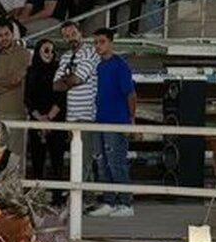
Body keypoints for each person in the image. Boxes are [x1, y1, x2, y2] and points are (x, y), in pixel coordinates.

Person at [89, 27, 136, 218]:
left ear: (110, 43)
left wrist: (131, 119)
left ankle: (125, 203)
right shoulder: (100, 67)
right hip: (100, 119)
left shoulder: (120, 65)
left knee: (116, 162)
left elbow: (130, 94)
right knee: (102, 163)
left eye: (102, 42)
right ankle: (109, 200)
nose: (98, 46)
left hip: (117, 120)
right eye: (96, 42)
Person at [55, 20, 100, 184]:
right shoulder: (66, 56)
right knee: (76, 159)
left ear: (80, 33)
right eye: (66, 36)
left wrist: (69, 79)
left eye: (73, 34)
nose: (70, 38)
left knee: (85, 159)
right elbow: (56, 86)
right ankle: (84, 199)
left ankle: (84, 199)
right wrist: (72, 80)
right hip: (71, 115)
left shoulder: (91, 53)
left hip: (87, 114)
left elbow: (76, 78)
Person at [25, 38, 67, 203]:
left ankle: (57, 196)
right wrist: (39, 119)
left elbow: (61, 98)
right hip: (37, 120)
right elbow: (28, 98)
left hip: (55, 120)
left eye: (52, 50)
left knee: (57, 159)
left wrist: (49, 118)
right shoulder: (31, 71)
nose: (49, 54)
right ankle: (37, 196)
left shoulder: (59, 71)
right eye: (46, 50)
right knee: (37, 160)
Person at [0, 19, 32, 152]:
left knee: (16, 157)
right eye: (0, 35)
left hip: (19, 113)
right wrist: (10, 82)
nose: (4, 38)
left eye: (6, 34)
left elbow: (16, 80)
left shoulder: (25, 55)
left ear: (12, 34)